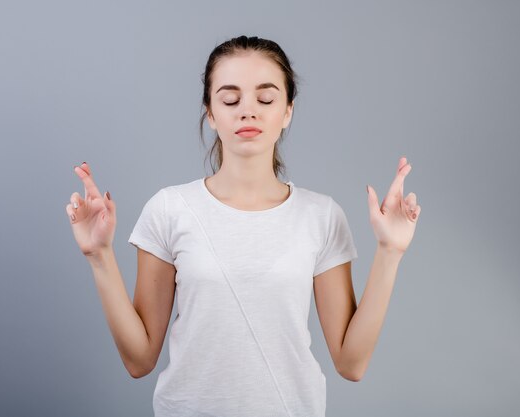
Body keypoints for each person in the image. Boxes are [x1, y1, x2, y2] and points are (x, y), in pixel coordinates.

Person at [65, 35, 421, 417]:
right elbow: (139, 361)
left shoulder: (321, 216)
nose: (247, 111)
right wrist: (99, 255)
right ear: (211, 113)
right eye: (230, 99)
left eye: (266, 99)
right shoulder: (169, 210)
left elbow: (351, 364)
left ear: (287, 111)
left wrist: (390, 251)